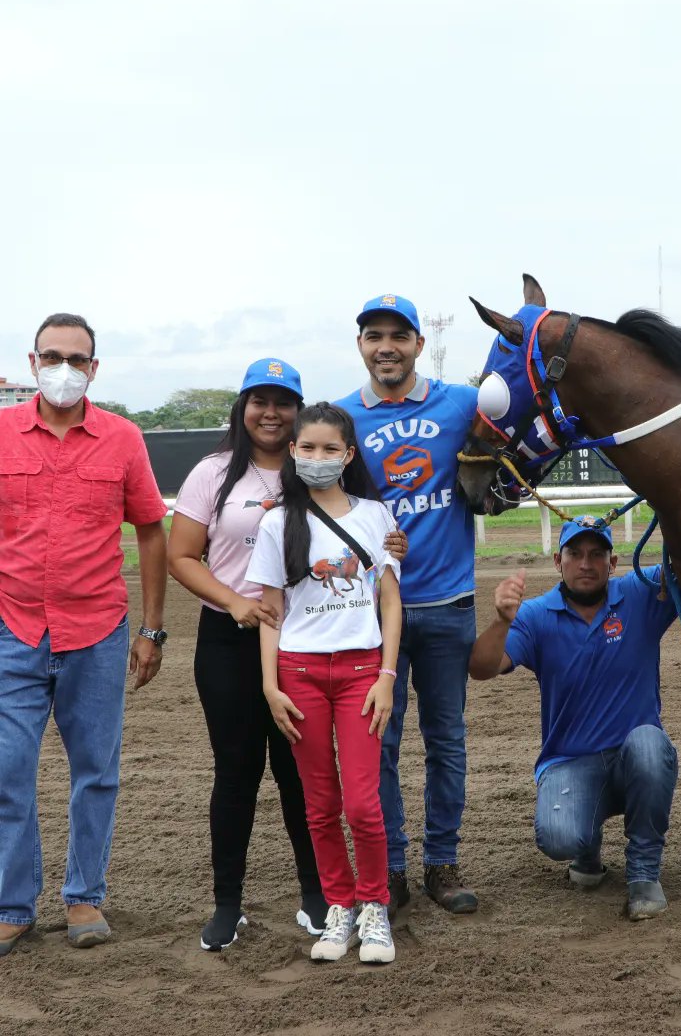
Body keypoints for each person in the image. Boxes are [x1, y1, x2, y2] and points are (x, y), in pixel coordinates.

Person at [168, 358, 406, 951]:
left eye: (283, 402)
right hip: (234, 638)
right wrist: (237, 605)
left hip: (313, 644)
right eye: (259, 401)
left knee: (307, 782)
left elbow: (373, 550)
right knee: (237, 771)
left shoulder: (318, 486)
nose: (270, 413)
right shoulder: (214, 473)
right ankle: (228, 902)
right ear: (243, 407)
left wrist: (392, 545)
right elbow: (181, 556)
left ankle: (320, 898)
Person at [0, 313, 167, 957]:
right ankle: (13, 904)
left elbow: (151, 528)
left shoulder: (123, 439)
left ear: (94, 369)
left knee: (94, 771)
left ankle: (83, 898)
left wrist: (152, 627)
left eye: (76, 358)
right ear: (32, 361)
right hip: (13, 626)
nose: (63, 368)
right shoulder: (4, 432)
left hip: (96, 629)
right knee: (9, 769)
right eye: (51, 355)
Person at [336, 293, 481, 918]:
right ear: (361, 345)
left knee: (446, 741)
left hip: (450, 605)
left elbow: (513, 440)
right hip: (373, 614)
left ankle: (441, 864)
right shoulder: (340, 419)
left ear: (419, 343)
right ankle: (389, 868)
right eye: (374, 336)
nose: (386, 346)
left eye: (399, 335)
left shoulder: (462, 403)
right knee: (382, 744)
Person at [247, 402, 402, 964]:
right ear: (292, 451)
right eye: (307, 448)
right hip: (299, 675)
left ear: (348, 455)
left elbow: (390, 601)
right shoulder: (274, 522)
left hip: (362, 671)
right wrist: (270, 685)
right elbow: (271, 611)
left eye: (329, 449)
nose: (317, 458)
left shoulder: (376, 517)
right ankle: (338, 908)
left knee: (363, 803)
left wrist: (387, 675)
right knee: (319, 804)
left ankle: (375, 908)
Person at [469, 516, 679, 920]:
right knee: (558, 838)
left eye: (596, 554)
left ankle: (644, 874)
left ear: (613, 562)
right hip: (570, 761)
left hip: (634, 755)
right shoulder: (534, 615)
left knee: (651, 745)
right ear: (557, 560)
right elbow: (481, 668)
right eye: (576, 554)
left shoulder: (640, 592)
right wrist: (501, 620)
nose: (586, 563)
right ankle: (587, 848)